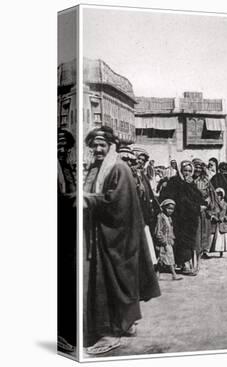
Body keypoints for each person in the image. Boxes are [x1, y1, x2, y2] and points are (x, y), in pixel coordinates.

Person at [83, 126, 160, 355]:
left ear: (110, 146)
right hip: (102, 235)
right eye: (94, 145)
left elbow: (117, 204)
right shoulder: (98, 168)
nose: (97, 149)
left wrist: (88, 200)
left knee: (111, 281)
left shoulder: (118, 168)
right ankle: (125, 324)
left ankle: (111, 332)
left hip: (117, 238)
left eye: (102, 145)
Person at [159, 160, 207, 275]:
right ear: (180, 171)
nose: (187, 173)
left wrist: (202, 204)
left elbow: (198, 197)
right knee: (181, 241)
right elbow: (178, 200)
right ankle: (184, 265)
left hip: (190, 218)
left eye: (190, 171)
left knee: (189, 241)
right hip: (179, 217)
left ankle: (185, 263)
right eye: (185, 170)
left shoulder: (192, 183)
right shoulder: (174, 182)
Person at [57, 128, 77, 352]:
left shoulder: (65, 166)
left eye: (65, 145)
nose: (62, 148)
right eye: (58, 144)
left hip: (68, 229)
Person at [193, 158, 221, 258]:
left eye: (200, 168)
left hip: (204, 209)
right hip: (193, 209)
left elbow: (211, 194)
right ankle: (195, 251)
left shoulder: (205, 180)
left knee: (205, 229)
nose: (198, 170)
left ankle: (204, 250)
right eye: (196, 167)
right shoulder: (189, 180)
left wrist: (208, 204)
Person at [154, 199, 182, 281]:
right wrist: (162, 241)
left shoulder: (169, 218)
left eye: (172, 209)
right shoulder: (161, 217)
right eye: (168, 208)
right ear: (163, 208)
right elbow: (158, 230)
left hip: (168, 241)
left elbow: (170, 229)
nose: (170, 211)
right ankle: (174, 274)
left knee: (162, 259)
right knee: (168, 258)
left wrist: (172, 238)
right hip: (163, 241)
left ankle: (157, 275)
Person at [209, 188, 227, 257]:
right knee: (214, 237)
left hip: (222, 224)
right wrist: (213, 216)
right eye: (217, 195)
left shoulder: (226, 205)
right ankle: (211, 250)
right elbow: (209, 212)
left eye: (220, 195)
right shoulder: (213, 204)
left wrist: (225, 218)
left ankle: (221, 252)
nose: (218, 197)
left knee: (222, 238)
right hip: (215, 224)